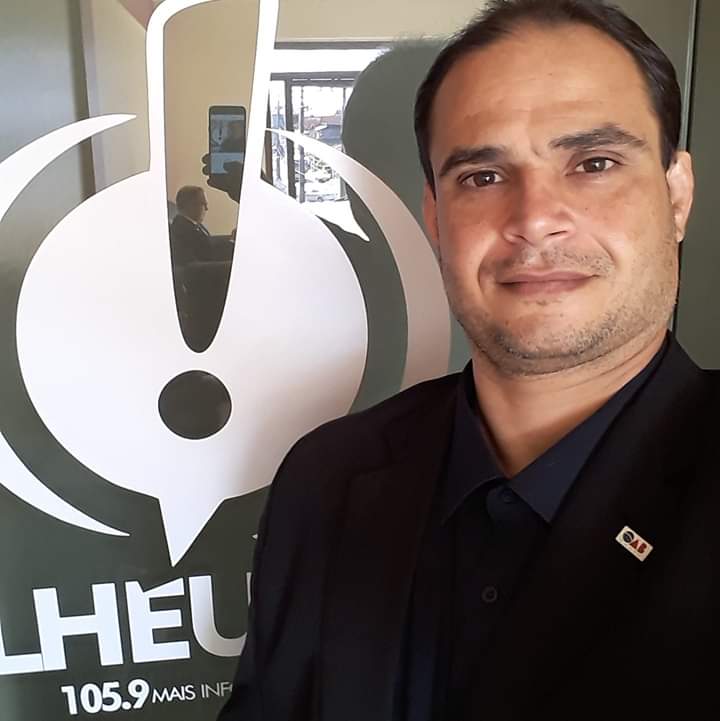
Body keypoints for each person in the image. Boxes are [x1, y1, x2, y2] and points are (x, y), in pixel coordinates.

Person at [218, 1, 718, 719]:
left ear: (676, 195)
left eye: (594, 164)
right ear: (435, 217)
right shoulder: (324, 481)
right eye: (482, 176)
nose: (534, 219)